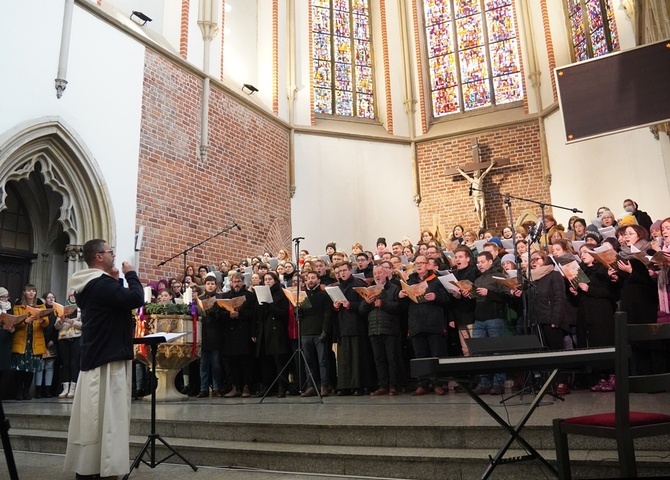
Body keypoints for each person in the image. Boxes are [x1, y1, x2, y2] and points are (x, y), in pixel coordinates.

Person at [63, 239, 144, 479]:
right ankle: (104, 467)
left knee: (95, 419)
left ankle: (92, 464)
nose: (113, 254)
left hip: (97, 355)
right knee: (109, 418)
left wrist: (116, 279)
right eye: (110, 251)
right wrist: (131, 275)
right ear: (99, 256)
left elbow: (112, 305)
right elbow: (135, 299)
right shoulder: (101, 285)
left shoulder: (89, 285)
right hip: (108, 360)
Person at [399, 254, 450, 395]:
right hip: (416, 324)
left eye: (422, 263)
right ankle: (423, 384)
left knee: (436, 355)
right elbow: (403, 307)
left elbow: (447, 300)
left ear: (428, 265)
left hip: (434, 323)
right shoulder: (409, 282)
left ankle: (437, 383)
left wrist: (436, 297)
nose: (419, 265)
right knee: (420, 356)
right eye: (417, 263)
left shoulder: (437, 281)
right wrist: (401, 297)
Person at [465, 252, 509, 395]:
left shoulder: (499, 277)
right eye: (478, 262)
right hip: (479, 319)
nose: (480, 264)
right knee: (479, 352)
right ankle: (484, 382)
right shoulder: (477, 280)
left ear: (490, 262)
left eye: (483, 261)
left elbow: (507, 297)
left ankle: (498, 383)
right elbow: (476, 299)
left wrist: (489, 293)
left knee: (498, 351)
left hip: (495, 318)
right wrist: (469, 295)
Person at [360, 265, 402, 396]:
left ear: (386, 274)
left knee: (392, 359)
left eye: (379, 273)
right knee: (379, 359)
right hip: (374, 328)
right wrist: (367, 302)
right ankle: (383, 385)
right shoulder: (369, 290)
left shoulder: (394, 288)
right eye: (375, 273)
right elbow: (361, 311)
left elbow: (399, 308)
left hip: (390, 328)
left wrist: (383, 304)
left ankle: (394, 386)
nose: (377, 276)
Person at [11, 283, 48, 400]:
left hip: (35, 340)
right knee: (19, 368)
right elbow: (16, 323)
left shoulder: (41, 305)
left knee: (31, 368)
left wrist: (42, 320)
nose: (31, 293)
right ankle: (19, 391)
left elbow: (46, 323)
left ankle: (26, 391)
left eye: (33, 290)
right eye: (29, 291)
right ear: (24, 292)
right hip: (22, 340)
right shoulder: (18, 306)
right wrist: (27, 320)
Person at [299, 270, 333, 397]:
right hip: (306, 331)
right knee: (308, 361)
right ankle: (311, 385)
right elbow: (300, 315)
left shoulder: (324, 295)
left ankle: (324, 385)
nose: (310, 280)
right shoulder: (303, 295)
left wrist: (325, 330)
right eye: (308, 278)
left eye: (313, 278)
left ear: (319, 280)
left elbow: (327, 314)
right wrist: (297, 310)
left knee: (322, 361)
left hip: (319, 331)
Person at [54, 290, 82, 399]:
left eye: (75, 296)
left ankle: (73, 388)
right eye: (71, 296)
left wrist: (72, 322)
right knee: (65, 364)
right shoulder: (62, 309)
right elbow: (56, 327)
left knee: (74, 363)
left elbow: (85, 325)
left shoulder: (81, 309)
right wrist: (61, 321)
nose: (73, 298)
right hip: (63, 338)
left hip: (76, 337)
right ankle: (65, 388)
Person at [456, 161, 496, 228]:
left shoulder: (480, 179)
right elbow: (465, 175)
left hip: (481, 195)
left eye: (477, 172)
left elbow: (486, 172)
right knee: (477, 209)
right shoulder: (472, 180)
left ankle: (482, 222)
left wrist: (491, 165)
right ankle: (480, 221)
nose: (476, 173)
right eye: (475, 172)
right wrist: (459, 170)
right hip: (475, 196)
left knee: (482, 208)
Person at [34, 291, 59, 398]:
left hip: (52, 342)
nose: (51, 299)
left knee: (49, 366)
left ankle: (47, 389)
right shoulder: (41, 310)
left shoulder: (57, 311)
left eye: (53, 297)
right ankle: (38, 390)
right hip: (40, 341)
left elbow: (56, 328)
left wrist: (53, 340)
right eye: (48, 297)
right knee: (40, 366)